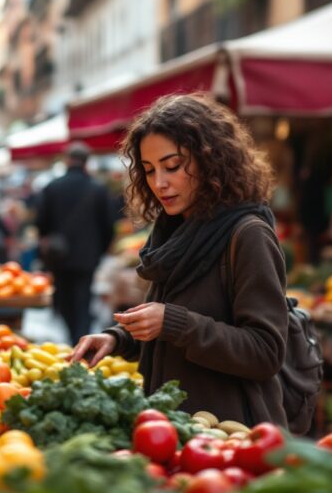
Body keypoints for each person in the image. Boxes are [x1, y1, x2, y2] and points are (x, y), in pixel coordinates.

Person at [70, 93, 289, 427]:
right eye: (149, 170)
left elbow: (265, 352)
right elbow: (167, 328)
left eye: (172, 166)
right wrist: (118, 338)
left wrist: (174, 322)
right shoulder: (176, 230)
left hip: (229, 436)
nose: (159, 183)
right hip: (173, 427)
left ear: (211, 160)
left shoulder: (248, 235)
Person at [37, 142, 114, 344]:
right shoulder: (98, 189)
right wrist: (100, 250)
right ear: (87, 162)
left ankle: (73, 336)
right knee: (83, 300)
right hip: (87, 256)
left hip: (58, 256)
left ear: (67, 159)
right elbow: (108, 225)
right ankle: (81, 339)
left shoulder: (52, 187)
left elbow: (41, 223)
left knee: (63, 299)